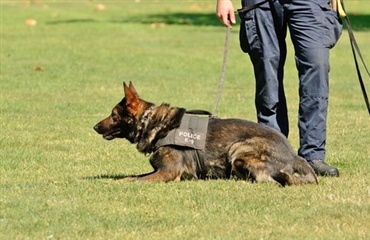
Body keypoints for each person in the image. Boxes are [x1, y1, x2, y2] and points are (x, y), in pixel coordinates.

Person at [216, 0, 342, 176]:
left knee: (316, 66)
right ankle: (272, 155)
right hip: (261, 4)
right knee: (267, 75)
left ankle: (313, 156)